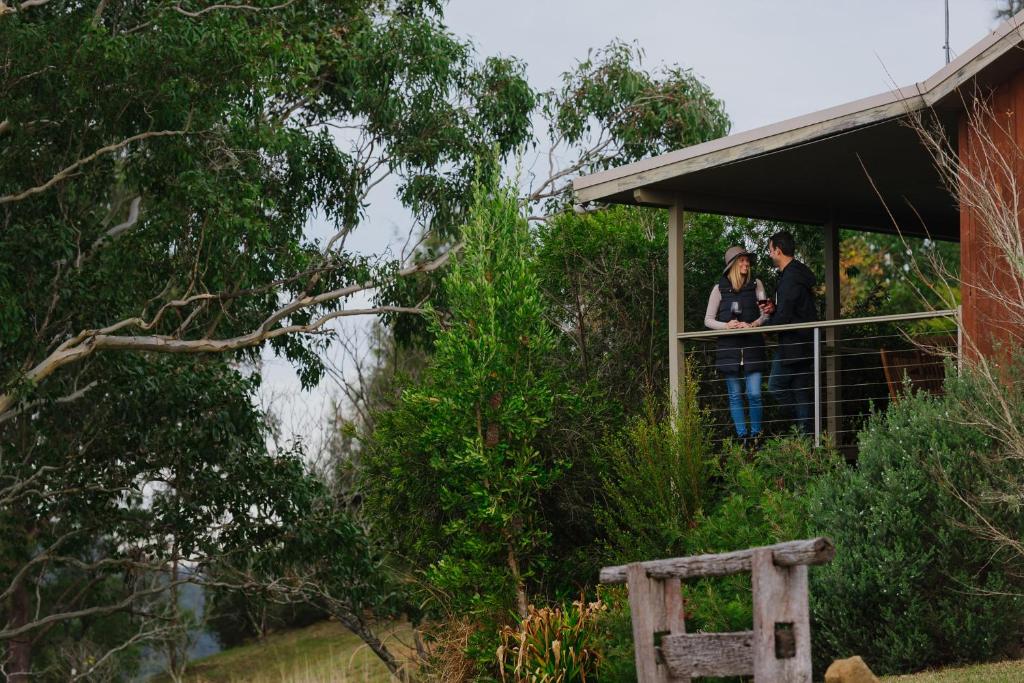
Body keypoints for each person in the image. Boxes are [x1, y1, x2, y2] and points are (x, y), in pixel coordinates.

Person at [704, 246, 768, 447]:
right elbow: (708, 320)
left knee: (755, 393)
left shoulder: (757, 285)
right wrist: (727, 326)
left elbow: (766, 313)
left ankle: (756, 436)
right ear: (732, 265)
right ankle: (743, 438)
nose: (746, 264)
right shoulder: (718, 288)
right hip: (729, 349)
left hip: (752, 347)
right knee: (735, 395)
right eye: (741, 260)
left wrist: (754, 324)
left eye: (747, 261)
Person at [758, 231, 818, 436]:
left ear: (778, 250)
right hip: (804, 343)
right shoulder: (795, 274)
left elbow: (786, 315)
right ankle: (807, 440)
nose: (769, 254)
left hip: (793, 345)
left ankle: (801, 426)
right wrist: (775, 308)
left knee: (775, 387)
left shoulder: (790, 277)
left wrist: (765, 328)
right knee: (801, 393)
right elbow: (792, 308)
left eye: (770, 250)